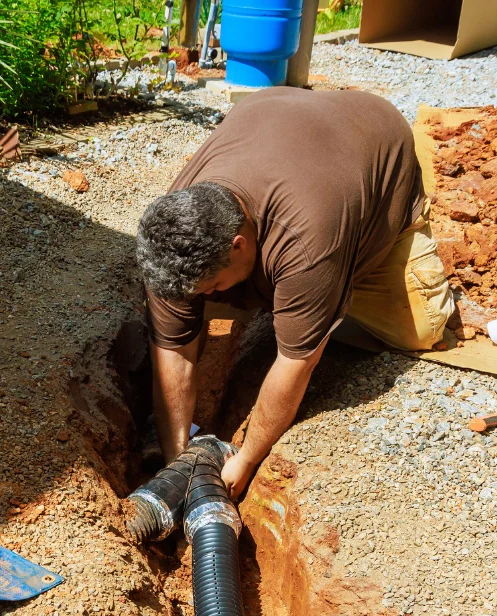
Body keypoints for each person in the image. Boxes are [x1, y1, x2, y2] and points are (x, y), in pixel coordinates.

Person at [136, 86, 455, 497]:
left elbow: (297, 363)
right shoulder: (176, 231)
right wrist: (175, 460)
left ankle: (326, 299)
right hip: (279, 121)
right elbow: (174, 348)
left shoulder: (307, 241)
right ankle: (292, 301)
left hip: (375, 164)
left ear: (239, 245)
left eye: (211, 286)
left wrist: (246, 460)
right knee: (203, 299)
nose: (205, 296)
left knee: (421, 331)